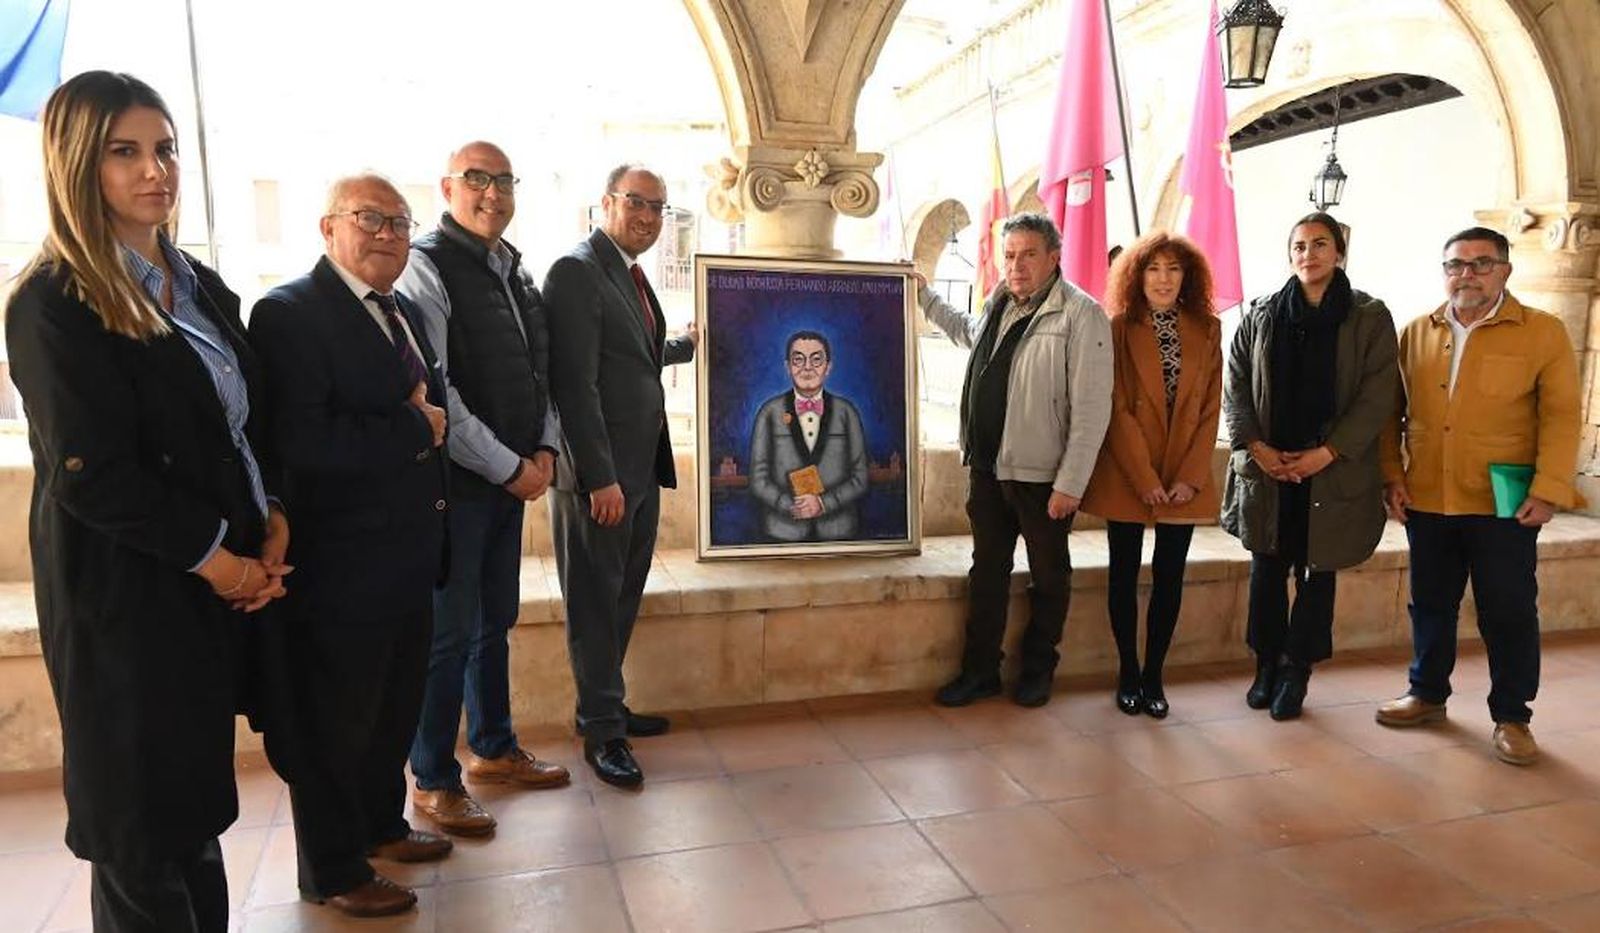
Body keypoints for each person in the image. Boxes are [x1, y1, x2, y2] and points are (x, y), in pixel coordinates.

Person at [5, 71, 288, 932]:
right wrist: (223, 558)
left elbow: (236, 420)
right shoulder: (54, 301)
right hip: (125, 600)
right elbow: (95, 475)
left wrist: (270, 511)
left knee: (192, 814)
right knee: (140, 834)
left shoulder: (193, 281)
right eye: (124, 151)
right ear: (77, 162)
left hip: (203, 592)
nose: (154, 169)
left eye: (163, 148)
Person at [248, 174, 452, 917]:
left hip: (406, 561)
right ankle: (333, 869)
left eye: (400, 223)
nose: (389, 235)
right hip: (339, 570)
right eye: (370, 219)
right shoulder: (289, 314)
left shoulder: (403, 314)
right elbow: (299, 442)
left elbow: (430, 409)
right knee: (333, 726)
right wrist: (413, 427)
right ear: (328, 225)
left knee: (391, 712)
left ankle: (379, 826)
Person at [397, 141, 569, 838]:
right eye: (477, 179)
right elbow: (441, 392)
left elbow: (541, 374)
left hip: (512, 480)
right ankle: (435, 777)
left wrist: (548, 448)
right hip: (460, 487)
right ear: (447, 187)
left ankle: (493, 748)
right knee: (447, 634)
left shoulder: (515, 272)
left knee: (494, 621)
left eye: (503, 180)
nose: (492, 192)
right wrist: (509, 466)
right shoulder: (427, 266)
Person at [1375, 227, 1581, 765]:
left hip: (1504, 504)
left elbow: (1562, 417)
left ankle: (1512, 715)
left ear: (1505, 271)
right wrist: (1391, 476)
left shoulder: (1542, 332)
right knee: (1430, 604)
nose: (1466, 274)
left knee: (1509, 610)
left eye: (1481, 263)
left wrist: (1550, 489)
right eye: (1455, 264)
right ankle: (1426, 694)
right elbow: (1390, 413)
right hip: (1428, 496)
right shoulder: (1417, 331)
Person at [916, 212, 1113, 708]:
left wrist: (1071, 483)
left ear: (1052, 257)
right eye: (1009, 255)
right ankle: (980, 671)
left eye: (1028, 254)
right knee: (987, 573)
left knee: (1049, 577)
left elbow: (1092, 409)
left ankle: (1037, 671)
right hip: (987, 468)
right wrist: (925, 296)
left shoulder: (1080, 313)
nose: (1017, 265)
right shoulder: (999, 302)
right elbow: (967, 332)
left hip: (1044, 477)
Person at [543, 164, 696, 788]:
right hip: (600, 481)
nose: (649, 217)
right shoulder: (576, 271)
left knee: (621, 597)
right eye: (637, 203)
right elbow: (573, 384)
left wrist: (682, 344)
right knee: (594, 604)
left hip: (639, 472)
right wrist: (598, 478)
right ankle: (602, 732)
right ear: (605, 202)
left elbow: (628, 354)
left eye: (659, 207)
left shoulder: (629, 275)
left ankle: (609, 705)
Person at [1221, 211, 1397, 721]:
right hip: (1270, 470)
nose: (1308, 254)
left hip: (1332, 469)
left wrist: (1328, 452)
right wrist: (1255, 447)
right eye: (1299, 245)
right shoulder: (1261, 313)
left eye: (1320, 244)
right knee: (1266, 571)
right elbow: (1234, 386)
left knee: (1317, 573)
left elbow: (1377, 393)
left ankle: (1297, 669)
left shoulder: (1368, 316)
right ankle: (1265, 665)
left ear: (1339, 252)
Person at [1080, 232, 1223, 719]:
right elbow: (1115, 408)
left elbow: (1209, 411)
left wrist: (1189, 476)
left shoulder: (1208, 330)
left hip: (1182, 470)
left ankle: (1155, 674)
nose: (1163, 279)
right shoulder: (1116, 328)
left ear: (1188, 277)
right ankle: (1127, 672)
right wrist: (1144, 478)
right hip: (1128, 470)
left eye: (1173, 269)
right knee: (1123, 575)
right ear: (1137, 276)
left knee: (1170, 577)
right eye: (1153, 269)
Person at [747, 329, 869, 542]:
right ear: (788, 367)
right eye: (798, 360)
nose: (807, 368)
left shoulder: (847, 412)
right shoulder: (769, 412)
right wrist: (792, 505)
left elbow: (860, 478)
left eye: (816, 360)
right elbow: (758, 479)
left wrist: (823, 504)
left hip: (839, 532)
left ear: (828, 367)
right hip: (782, 532)